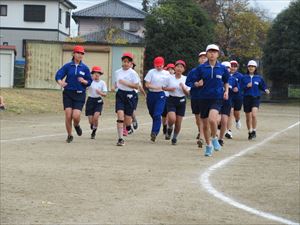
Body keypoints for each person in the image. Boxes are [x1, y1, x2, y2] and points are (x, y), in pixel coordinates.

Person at [186, 44, 229, 157]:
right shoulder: (200, 68)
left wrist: (226, 91)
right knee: (204, 125)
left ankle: (214, 138)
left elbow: (226, 81)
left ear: (218, 54)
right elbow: (189, 82)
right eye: (210, 51)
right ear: (206, 53)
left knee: (212, 119)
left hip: (216, 98)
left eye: (214, 52)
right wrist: (196, 84)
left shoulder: (222, 68)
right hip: (203, 98)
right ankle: (208, 146)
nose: (212, 54)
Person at [55, 45, 92, 143]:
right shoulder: (68, 66)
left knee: (75, 116)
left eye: (82, 53)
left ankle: (76, 125)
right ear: (73, 54)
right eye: (78, 53)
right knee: (68, 115)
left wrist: (84, 81)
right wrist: (60, 82)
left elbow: (89, 81)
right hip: (68, 93)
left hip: (80, 94)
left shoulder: (85, 68)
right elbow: (58, 75)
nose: (80, 55)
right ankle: (69, 135)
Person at [114, 52, 140, 146]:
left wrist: (125, 83)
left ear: (131, 63)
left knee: (127, 118)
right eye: (124, 61)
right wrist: (115, 86)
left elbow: (136, 86)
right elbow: (117, 83)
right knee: (120, 116)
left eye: (128, 62)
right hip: (120, 94)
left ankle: (129, 126)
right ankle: (120, 139)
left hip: (130, 95)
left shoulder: (133, 73)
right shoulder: (117, 72)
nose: (126, 63)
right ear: (122, 61)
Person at [241, 60, 270, 140]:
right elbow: (240, 88)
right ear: (247, 67)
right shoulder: (243, 78)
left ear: (255, 68)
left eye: (253, 67)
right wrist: (246, 86)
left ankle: (254, 130)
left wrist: (266, 90)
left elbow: (263, 86)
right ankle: (249, 131)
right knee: (248, 117)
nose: (251, 68)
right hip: (246, 98)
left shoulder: (259, 78)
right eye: (250, 66)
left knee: (253, 115)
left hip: (255, 98)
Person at [144, 56, 171, 142]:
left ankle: (154, 132)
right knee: (152, 113)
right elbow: (147, 84)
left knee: (157, 114)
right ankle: (157, 125)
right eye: (157, 65)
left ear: (163, 65)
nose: (158, 67)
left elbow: (169, 84)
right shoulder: (151, 72)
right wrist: (155, 87)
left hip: (161, 95)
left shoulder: (166, 74)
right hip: (151, 94)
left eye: (160, 65)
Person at [164, 60, 190, 145]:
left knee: (178, 122)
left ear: (184, 69)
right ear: (174, 68)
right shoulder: (169, 78)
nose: (179, 68)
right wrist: (169, 89)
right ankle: (170, 127)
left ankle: (174, 137)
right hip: (171, 99)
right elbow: (163, 87)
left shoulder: (185, 79)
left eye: (181, 67)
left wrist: (183, 88)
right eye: (177, 66)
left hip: (181, 101)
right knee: (172, 118)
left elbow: (188, 94)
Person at [218, 61, 239, 146]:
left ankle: (221, 138)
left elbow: (237, 88)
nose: (227, 69)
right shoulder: (217, 78)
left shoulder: (233, 79)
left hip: (227, 102)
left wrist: (236, 89)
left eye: (228, 68)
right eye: (225, 67)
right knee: (216, 119)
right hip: (217, 101)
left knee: (224, 121)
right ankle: (215, 136)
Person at [85, 66, 107, 139]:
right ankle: (93, 126)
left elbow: (105, 94)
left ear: (100, 74)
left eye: (98, 73)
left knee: (96, 117)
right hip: (90, 100)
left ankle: (94, 131)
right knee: (91, 120)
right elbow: (85, 87)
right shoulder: (89, 81)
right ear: (92, 74)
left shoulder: (102, 83)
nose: (97, 74)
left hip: (98, 101)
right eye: (95, 73)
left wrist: (100, 93)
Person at [130, 62, 146, 133]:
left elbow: (139, 86)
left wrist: (145, 94)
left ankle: (133, 119)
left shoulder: (134, 74)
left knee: (131, 111)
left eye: (131, 64)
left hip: (133, 94)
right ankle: (128, 127)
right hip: (124, 94)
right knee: (124, 112)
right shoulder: (122, 72)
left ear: (133, 66)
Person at [229, 60, 244, 131]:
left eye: (235, 66)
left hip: (238, 96)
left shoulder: (240, 76)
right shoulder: (226, 74)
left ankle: (237, 120)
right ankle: (229, 130)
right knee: (230, 111)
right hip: (229, 97)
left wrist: (238, 88)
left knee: (236, 112)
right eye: (232, 66)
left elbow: (243, 85)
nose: (233, 68)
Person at [162, 63, 175, 135]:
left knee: (169, 114)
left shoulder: (175, 78)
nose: (170, 71)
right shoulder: (164, 78)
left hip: (171, 98)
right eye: (169, 69)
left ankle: (168, 126)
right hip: (164, 97)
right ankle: (164, 125)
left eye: (172, 69)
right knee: (163, 115)